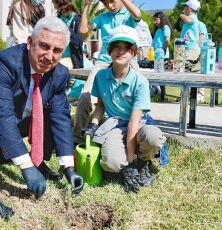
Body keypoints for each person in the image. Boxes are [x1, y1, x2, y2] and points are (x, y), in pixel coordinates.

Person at [0, 16, 84, 217]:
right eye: (43, 46)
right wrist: (25, 166)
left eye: (57, 50)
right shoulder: (3, 63)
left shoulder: (60, 73)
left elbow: (61, 118)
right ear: (29, 42)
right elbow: (3, 116)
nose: (49, 56)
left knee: (55, 115)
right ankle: (21, 162)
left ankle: (39, 161)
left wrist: (69, 166)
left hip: (22, 117)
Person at [82, 25, 166, 193]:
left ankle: (142, 162)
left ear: (134, 53)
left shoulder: (140, 82)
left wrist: (129, 160)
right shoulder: (101, 76)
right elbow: (100, 105)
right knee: (110, 164)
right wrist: (93, 124)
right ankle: (125, 167)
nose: (120, 52)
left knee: (153, 137)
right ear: (109, 50)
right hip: (115, 125)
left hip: (138, 124)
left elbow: (134, 123)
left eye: (126, 49)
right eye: (116, 48)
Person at [73, 0, 141, 144]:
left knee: (138, 91)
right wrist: (86, 6)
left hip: (128, 60)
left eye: (112, 1)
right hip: (104, 61)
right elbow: (83, 30)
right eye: (105, 3)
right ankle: (78, 139)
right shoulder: (103, 17)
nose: (110, 6)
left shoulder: (128, 15)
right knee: (85, 96)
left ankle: (136, 135)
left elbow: (137, 14)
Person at [53, 0, 83, 69]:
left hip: (71, 59)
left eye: (55, 4)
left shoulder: (77, 18)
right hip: (58, 56)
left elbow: (78, 42)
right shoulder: (58, 18)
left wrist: (67, 30)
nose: (54, 6)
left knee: (56, 67)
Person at [179, 0, 201, 72]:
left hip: (191, 49)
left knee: (187, 70)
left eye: (184, 7)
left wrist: (181, 15)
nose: (183, 9)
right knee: (182, 70)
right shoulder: (191, 18)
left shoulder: (193, 17)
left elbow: (188, 20)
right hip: (186, 48)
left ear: (189, 8)